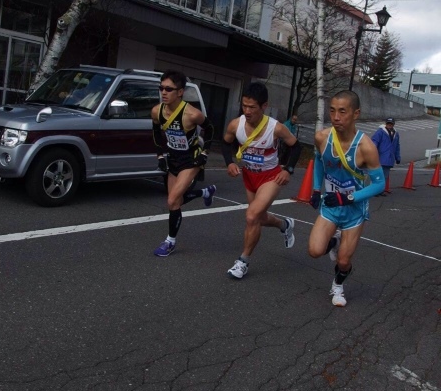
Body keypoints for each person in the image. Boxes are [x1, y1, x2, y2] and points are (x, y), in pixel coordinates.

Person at [308, 90, 385, 307]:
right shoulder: (321, 138)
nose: (335, 117)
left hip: (354, 210)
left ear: (356, 114)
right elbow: (320, 163)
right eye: (332, 111)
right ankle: (333, 241)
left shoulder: (366, 147)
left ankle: (338, 285)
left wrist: (347, 198)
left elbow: (380, 184)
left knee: (343, 261)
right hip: (331, 206)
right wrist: (315, 190)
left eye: (342, 111)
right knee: (314, 251)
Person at [221, 82, 302, 279]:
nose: (247, 111)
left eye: (252, 107)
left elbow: (296, 146)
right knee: (258, 217)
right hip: (249, 176)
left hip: (270, 177)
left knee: (251, 216)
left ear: (264, 106)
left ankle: (243, 261)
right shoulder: (236, 124)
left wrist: (288, 170)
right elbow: (226, 142)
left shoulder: (276, 128)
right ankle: (284, 225)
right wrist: (229, 163)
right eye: (244, 106)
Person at [151, 69, 216, 257]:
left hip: (191, 159)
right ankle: (205, 192)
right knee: (175, 202)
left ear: (180, 92)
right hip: (173, 158)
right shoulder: (157, 111)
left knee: (172, 200)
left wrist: (204, 153)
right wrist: (160, 156)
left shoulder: (192, 114)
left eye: (169, 89)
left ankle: (170, 242)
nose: (164, 92)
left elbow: (210, 128)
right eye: (161, 88)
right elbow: (155, 133)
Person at [371, 118, 401, 194]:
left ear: (393, 124)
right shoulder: (380, 132)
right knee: (377, 175)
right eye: (388, 123)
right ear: (386, 123)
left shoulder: (396, 134)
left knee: (385, 176)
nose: (389, 125)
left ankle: (380, 191)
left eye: (391, 124)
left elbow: (397, 146)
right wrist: (372, 154)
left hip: (390, 158)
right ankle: (373, 191)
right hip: (380, 157)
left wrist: (398, 157)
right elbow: (374, 143)